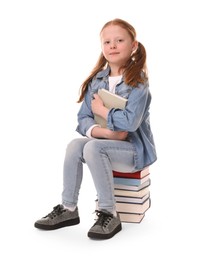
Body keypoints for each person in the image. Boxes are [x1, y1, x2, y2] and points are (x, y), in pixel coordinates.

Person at [34, 18, 157, 240]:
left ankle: (109, 212)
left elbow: (130, 124)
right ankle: (69, 208)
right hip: (106, 143)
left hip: (132, 151)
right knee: (75, 146)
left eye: (119, 40)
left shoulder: (138, 83)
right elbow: (82, 119)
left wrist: (103, 110)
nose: (112, 45)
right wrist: (108, 133)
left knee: (92, 149)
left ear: (133, 46)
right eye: (107, 42)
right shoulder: (97, 81)